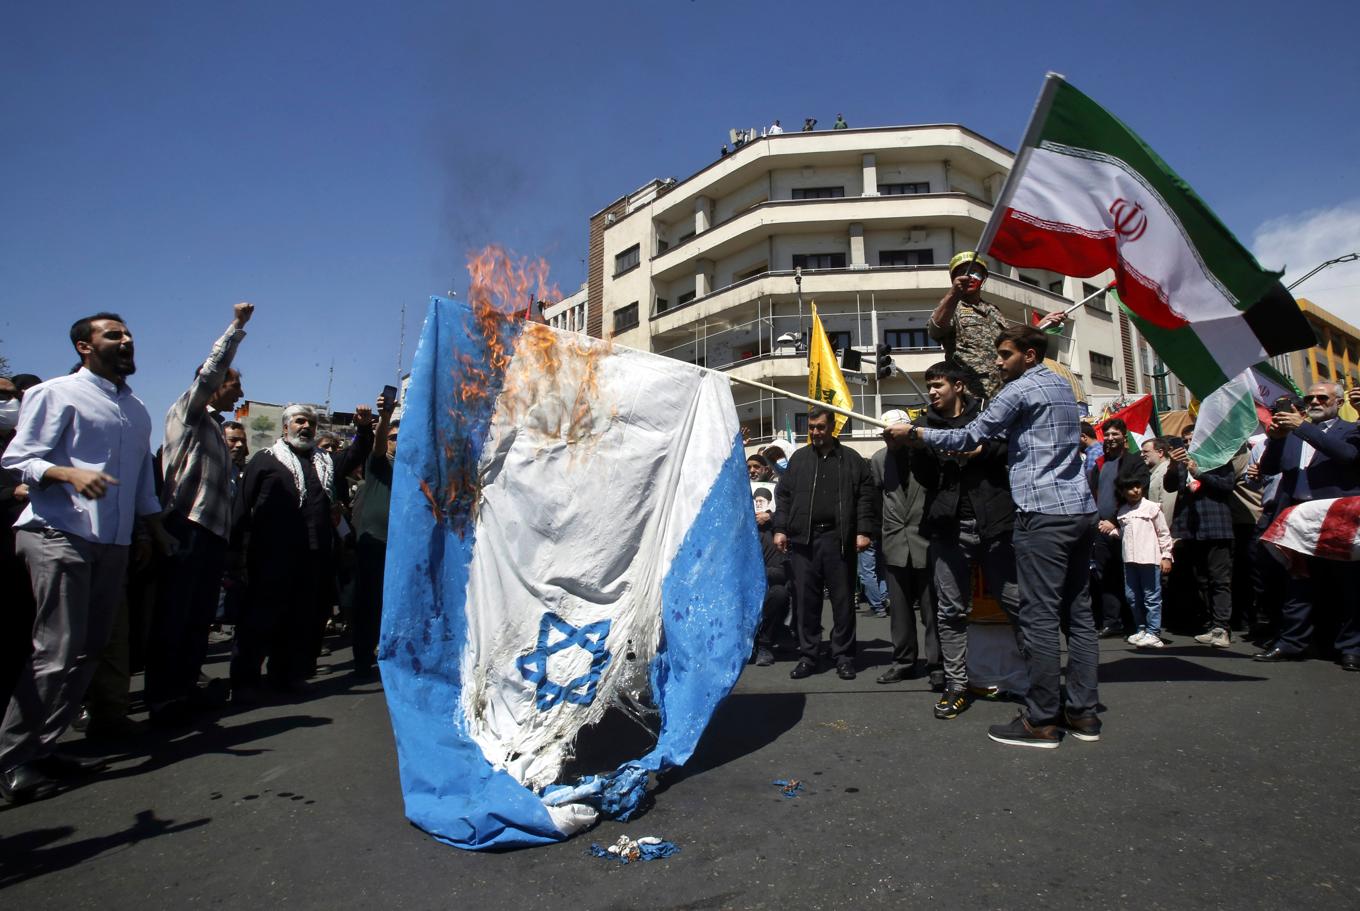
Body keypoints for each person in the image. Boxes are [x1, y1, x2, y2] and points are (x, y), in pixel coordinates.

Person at [884, 325, 1100, 749]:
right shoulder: (1063, 386)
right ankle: (1083, 712)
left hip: (1042, 514)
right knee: (1079, 618)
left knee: (1036, 618)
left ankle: (1042, 721)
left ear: (1030, 356)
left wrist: (917, 434)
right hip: (1080, 510)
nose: (998, 362)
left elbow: (968, 437)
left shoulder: (1017, 391)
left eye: (1004, 354)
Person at [0, 313, 170, 803]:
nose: (126, 340)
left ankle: (43, 747)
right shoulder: (54, 393)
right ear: (84, 346)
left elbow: (141, 482)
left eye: (128, 333)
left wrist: (151, 529)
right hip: (60, 532)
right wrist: (67, 474)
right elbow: (18, 459)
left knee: (88, 651)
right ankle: (12, 761)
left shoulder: (136, 409)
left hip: (113, 542)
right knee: (56, 651)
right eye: (113, 335)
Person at [145, 302, 253, 724]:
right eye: (235, 385)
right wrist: (237, 328)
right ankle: (160, 698)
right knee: (174, 616)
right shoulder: (188, 415)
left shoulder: (218, 434)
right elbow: (211, 370)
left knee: (197, 619)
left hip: (211, 537)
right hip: (184, 528)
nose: (240, 394)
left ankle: (183, 691)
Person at [233, 402, 371, 698]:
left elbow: (357, 453)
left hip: (313, 556)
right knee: (261, 619)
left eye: (310, 423)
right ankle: (245, 681)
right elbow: (242, 509)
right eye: (299, 422)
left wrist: (362, 427)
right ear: (285, 427)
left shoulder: (325, 462)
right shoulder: (266, 460)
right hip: (272, 556)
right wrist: (237, 557)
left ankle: (287, 676)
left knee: (300, 621)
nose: (306, 427)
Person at [908, 363, 1018, 719]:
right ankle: (956, 686)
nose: (932, 392)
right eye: (929, 386)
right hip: (948, 528)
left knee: (1017, 604)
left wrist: (978, 451)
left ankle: (1040, 684)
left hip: (996, 526)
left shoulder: (989, 416)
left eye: (938, 385)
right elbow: (925, 478)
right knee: (950, 612)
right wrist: (914, 446)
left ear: (959, 386)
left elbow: (1010, 453)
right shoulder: (925, 426)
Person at [1255, 382, 1360, 667]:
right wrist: (1276, 439)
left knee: (1347, 584)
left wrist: (1301, 426)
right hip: (1298, 518)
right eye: (1309, 397)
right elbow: (1268, 469)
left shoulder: (1350, 430)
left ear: (1338, 403)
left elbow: (1349, 456)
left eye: (1322, 397)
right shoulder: (1293, 433)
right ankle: (1292, 643)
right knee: (1297, 584)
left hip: (1337, 518)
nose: (1314, 401)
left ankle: (1351, 648)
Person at [772, 406, 875, 681]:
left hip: (838, 539)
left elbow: (866, 497)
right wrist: (780, 529)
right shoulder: (799, 460)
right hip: (804, 541)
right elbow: (783, 497)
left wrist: (863, 530)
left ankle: (843, 656)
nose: (815, 433)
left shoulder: (852, 460)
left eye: (820, 427)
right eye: (812, 428)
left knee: (843, 602)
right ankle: (808, 655)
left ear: (832, 428)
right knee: (806, 602)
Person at [871, 409, 941, 688]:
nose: (890, 439)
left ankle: (938, 664)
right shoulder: (878, 461)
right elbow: (876, 498)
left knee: (932, 610)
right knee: (899, 610)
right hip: (894, 542)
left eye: (893, 433)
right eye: (885, 434)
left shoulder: (927, 456)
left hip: (926, 541)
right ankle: (903, 661)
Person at [1163, 442, 1236, 647]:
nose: (1189, 444)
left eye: (1193, 439)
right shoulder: (1182, 462)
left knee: (1219, 579)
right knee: (1201, 579)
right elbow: (1170, 486)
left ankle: (1222, 627)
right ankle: (1211, 624)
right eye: (1186, 442)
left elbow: (1227, 485)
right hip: (1191, 529)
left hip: (1216, 527)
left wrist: (1199, 472)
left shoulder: (1220, 458)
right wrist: (1173, 464)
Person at [0, 374, 40, 713]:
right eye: (3, 396)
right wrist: (9, 492)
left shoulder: (23, 445)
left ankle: (28, 744)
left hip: (23, 558)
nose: (11, 403)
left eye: (15, 396)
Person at [350, 396, 396, 678]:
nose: (396, 441)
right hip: (374, 543)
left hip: (400, 548)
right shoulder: (379, 463)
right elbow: (377, 443)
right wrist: (385, 417)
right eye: (393, 437)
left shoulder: (412, 468)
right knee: (368, 602)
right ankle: (362, 658)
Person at [1108, 471, 1172, 648]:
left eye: (1138, 486)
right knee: (1132, 597)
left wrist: (1166, 556)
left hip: (1149, 558)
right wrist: (1112, 531)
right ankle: (1141, 628)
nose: (1136, 490)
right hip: (1130, 559)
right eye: (1130, 488)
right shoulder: (1122, 511)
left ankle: (1154, 632)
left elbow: (1164, 533)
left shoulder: (1152, 507)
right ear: (1122, 491)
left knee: (1152, 597)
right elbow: (1125, 534)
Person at [1090, 418, 1132, 636]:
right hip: (1101, 529)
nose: (1110, 439)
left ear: (1124, 436)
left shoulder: (1132, 461)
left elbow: (1135, 492)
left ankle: (1133, 622)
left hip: (1125, 526)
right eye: (1106, 435)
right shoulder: (1099, 464)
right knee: (1106, 575)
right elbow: (1092, 493)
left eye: (1115, 434)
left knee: (1129, 575)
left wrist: (1114, 521)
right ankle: (1111, 621)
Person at [1143, 437, 1177, 524]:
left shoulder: (1166, 471)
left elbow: (1167, 505)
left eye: (1145, 451)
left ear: (1160, 452)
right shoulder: (1157, 471)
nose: (1141, 455)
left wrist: (1163, 532)